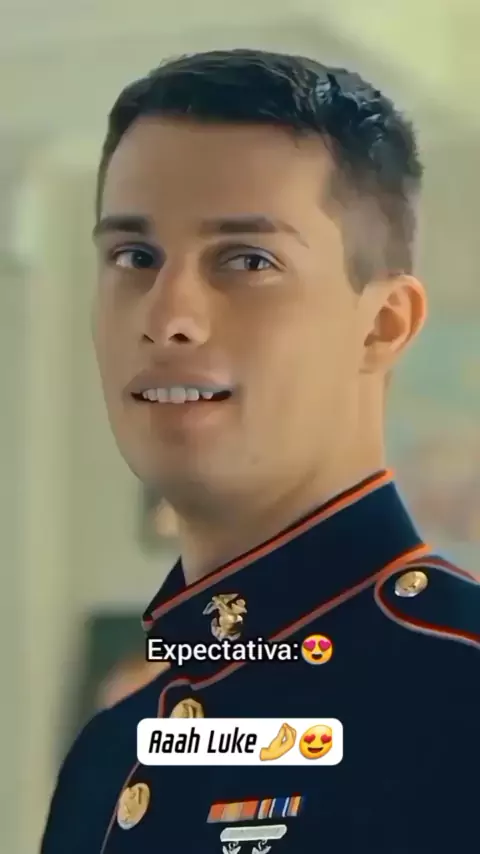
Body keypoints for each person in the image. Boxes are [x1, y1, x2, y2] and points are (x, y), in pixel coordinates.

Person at [41, 49, 479, 854]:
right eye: (135, 258)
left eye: (247, 260)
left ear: (382, 326)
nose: (168, 317)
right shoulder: (105, 762)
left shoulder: (462, 694)